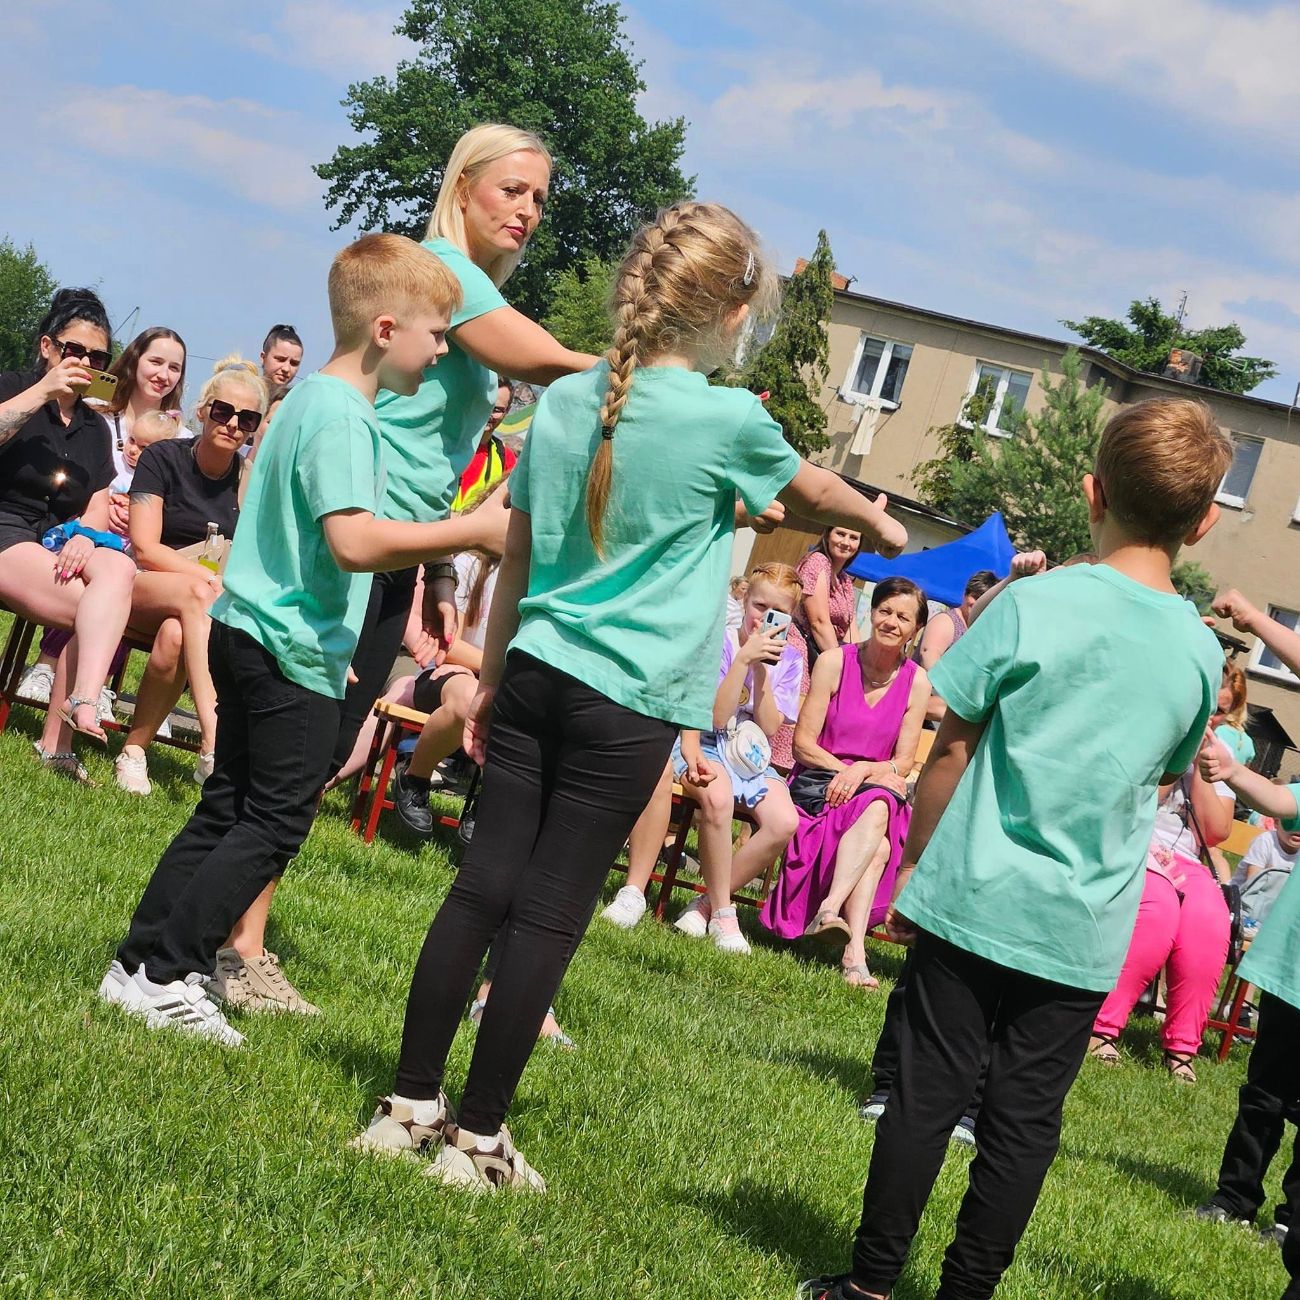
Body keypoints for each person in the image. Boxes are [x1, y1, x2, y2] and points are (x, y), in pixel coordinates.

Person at [352, 201, 907, 1190]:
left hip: (530, 675)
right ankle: (476, 1139)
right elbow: (814, 490)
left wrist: (486, 671)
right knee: (551, 911)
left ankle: (407, 1105)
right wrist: (879, 517)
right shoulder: (728, 417)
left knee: (482, 885)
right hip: (628, 702)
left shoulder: (565, 401)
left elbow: (514, 554)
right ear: (732, 313)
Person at [801, 397, 1230, 1300]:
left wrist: (913, 861)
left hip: (975, 892)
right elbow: (1160, 777)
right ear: (1201, 521)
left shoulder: (1034, 601)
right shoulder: (1198, 649)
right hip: (1082, 927)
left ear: (1092, 493)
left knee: (925, 1095)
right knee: (1025, 1124)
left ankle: (873, 1285)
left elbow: (950, 746)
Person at [224, 124, 589, 993]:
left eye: (540, 198)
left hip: (396, 548)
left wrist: (429, 579)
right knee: (298, 753)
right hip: (358, 539)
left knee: (317, 749)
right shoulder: (441, 273)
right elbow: (531, 353)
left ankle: (234, 933)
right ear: (463, 187)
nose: (529, 211)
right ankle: (233, 942)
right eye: (512, 191)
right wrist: (636, 375)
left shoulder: (450, 283)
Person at [100, 233, 484, 1044]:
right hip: (288, 650)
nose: (446, 348)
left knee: (226, 805)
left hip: (253, 631)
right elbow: (352, 542)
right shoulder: (345, 417)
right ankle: (173, 970)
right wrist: (467, 529)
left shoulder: (310, 399)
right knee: (273, 823)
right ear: (385, 330)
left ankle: (137, 964)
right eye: (438, 333)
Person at [760, 577, 930, 988]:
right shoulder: (835, 661)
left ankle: (840, 929)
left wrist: (863, 773)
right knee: (881, 830)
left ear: (916, 628)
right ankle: (851, 949)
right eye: (885, 611)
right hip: (821, 783)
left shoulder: (917, 682)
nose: (891, 622)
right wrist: (848, 771)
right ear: (870, 613)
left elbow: (904, 761)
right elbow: (802, 744)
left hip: (871, 788)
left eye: (903, 617)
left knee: (879, 813)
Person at [0, 288, 138, 779]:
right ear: (47, 347)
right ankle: (66, 728)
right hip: (6, 533)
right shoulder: (14, 387)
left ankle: (80, 700)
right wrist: (44, 390)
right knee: (94, 608)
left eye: (97, 356)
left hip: (58, 539)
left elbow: (99, 501)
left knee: (118, 567)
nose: (85, 361)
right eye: (74, 350)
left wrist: (87, 535)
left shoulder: (94, 428)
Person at [113, 358, 267, 795]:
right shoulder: (163, 457)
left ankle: (134, 750)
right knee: (199, 592)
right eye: (223, 411)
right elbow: (145, 548)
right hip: (143, 583)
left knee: (176, 637)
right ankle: (214, 741)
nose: (233, 424)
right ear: (202, 411)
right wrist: (209, 580)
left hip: (201, 607)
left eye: (247, 418)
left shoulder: (248, 480)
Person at [18, 326, 188, 707]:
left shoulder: (180, 437)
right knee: (95, 570)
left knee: (127, 578)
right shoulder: (95, 414)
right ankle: (47, 666)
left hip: (135, 541)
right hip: (79, 523)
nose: (163, 374)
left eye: (174, 367)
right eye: (156, 361)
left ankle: (99, 684)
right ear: (134, 360)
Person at [1197, 685, 1300, 1274]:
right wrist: (1233, 770)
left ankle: (1291, 1221)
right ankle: (1235, 1198)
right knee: (1262, 1094)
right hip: (1290, 973)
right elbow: (1279, 797)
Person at [667, 562, 805, 956]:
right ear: (744, 599)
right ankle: (726, 916)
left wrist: (762, 672)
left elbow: (772, 724)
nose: (765, 618)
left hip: (749, 754)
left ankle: (707, 903)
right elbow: (714, 717)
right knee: (718, 799)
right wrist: (743, 660)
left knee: (785, 821)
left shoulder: (791, 659)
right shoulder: (720, 642)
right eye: (760, 605)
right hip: (704, 743)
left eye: (779, 613)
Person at [1085, 763, 1233, 1083]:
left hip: (1187, 861)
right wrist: (1178, 756)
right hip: (1136, 845)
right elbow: (1137, 804)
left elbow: (1214, 832)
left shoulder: (1218, 756)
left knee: (1209, 921)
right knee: (1158, 914)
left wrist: (1200, 766)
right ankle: (1101, 1026)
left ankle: (1182, 1045)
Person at [770, 527, 862, 769]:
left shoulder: (844, 581)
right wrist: (844, 669)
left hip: (824, 655)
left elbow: (852, 629)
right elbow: (819, 622)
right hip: (800, 649)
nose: (846, 542)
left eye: (854, 537)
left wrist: (862, 667)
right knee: (795, 718)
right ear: (827, 533)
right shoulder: (817, 561)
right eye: (841, 534)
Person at [919, 569, 1000, 723]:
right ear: (965, 594)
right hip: (926, 701)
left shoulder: (980, 633)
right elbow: (928, 654)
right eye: (975, 597)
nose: (977, 603)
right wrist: (952, 694)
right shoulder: (947, 621)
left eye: (984, 600)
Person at [451, 376, 516, 511]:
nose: (488, 413)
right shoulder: (443, 444)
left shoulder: (506, 459)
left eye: (497, 409)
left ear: (507, 412)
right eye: (484, 405)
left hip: (473, 531)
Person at [1214, 660, 1255, 766]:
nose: (1206, 716)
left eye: (1218, 711)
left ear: (1231, 712)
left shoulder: (1217, 734)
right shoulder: (1248, 742)